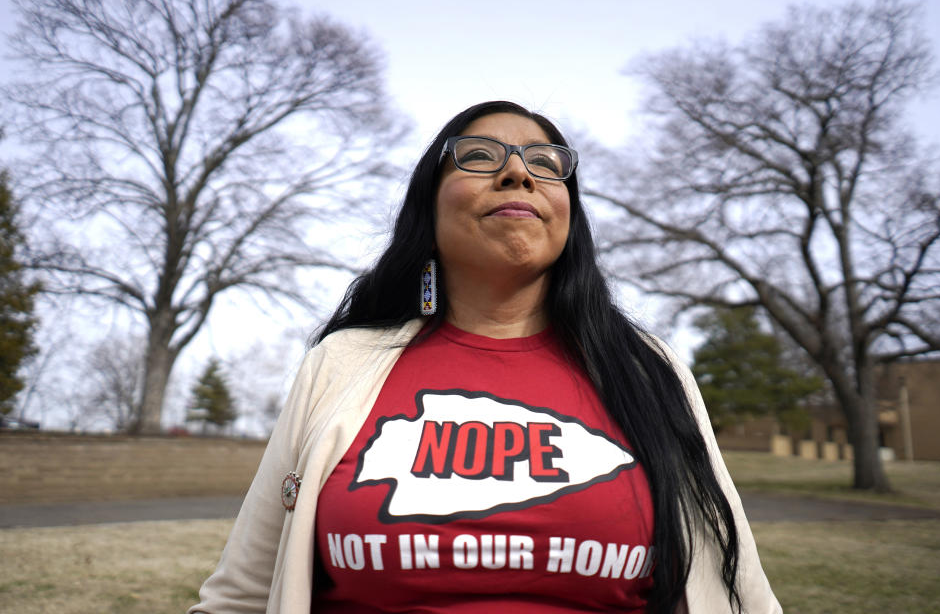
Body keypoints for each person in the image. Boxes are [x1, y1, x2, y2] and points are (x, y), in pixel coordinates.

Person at [190, 101, 781, 613]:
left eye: (546, 164)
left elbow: (740, 592)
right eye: (479, 156)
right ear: (430, 207)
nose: (519, 173)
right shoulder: (340, 364)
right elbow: (242, 595)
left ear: (568, 214)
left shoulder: (646, 369)